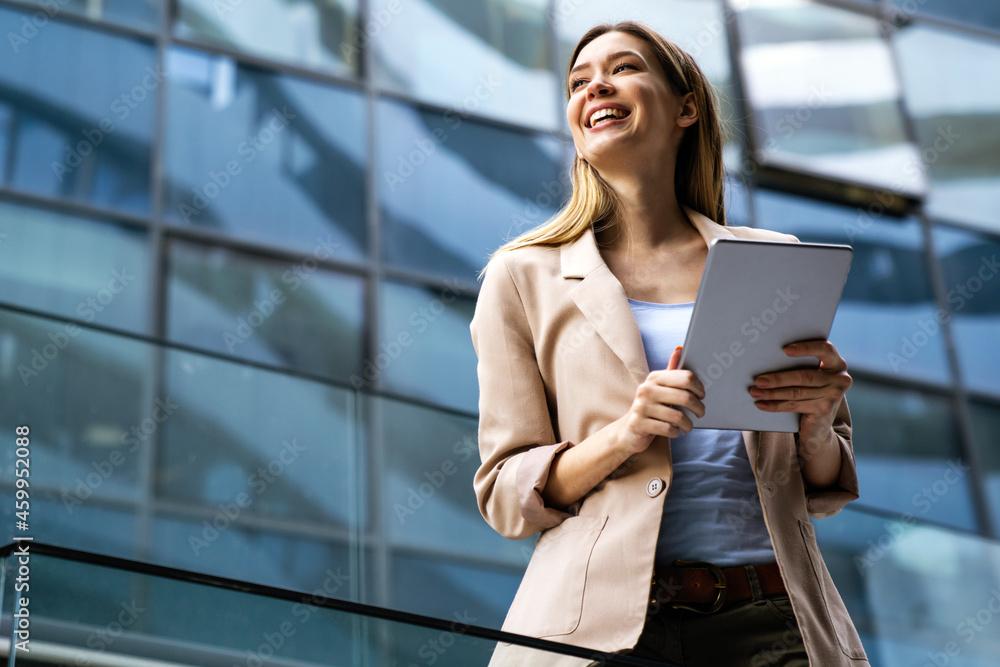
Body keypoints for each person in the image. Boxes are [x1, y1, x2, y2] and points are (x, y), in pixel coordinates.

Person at [469, 20, 870, 667]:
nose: (595, 84)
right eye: (577, 81)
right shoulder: (524, 276)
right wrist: (624, 434)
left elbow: (823, 484)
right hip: (594, 627)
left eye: (623, 68)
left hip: (773, 617)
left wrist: (819, 424)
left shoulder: (774, 261)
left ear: (686, 107)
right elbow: (504, 493)